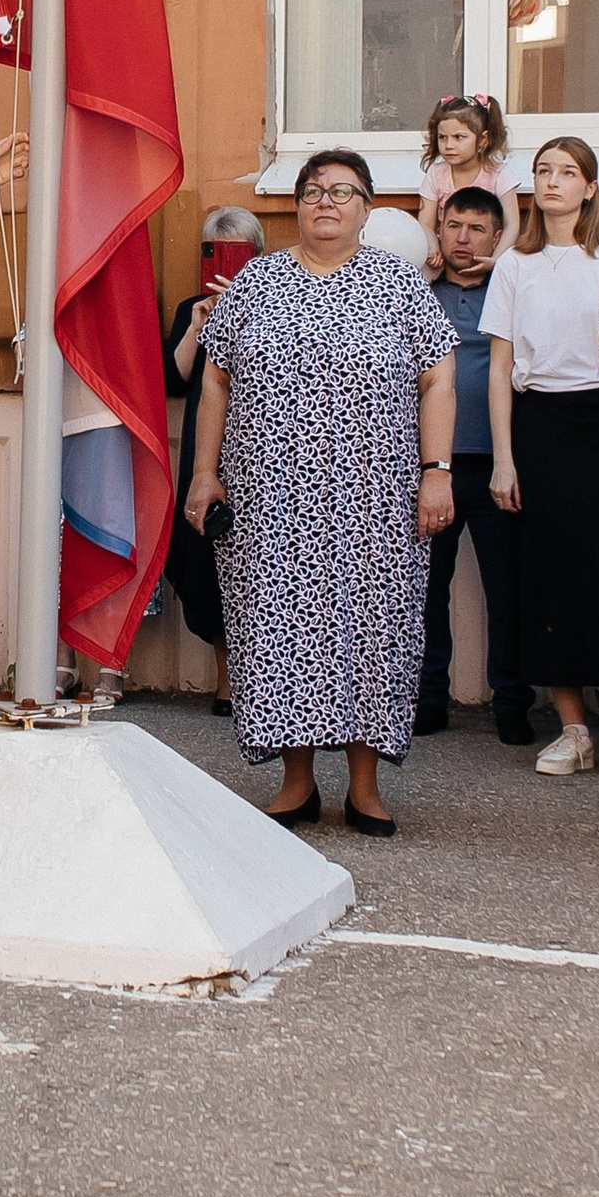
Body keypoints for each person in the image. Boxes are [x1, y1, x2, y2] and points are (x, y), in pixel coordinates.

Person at [183, 149, 459, 832]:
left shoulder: (398, 284)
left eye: (342, 191)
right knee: (279, 628)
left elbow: (439, 379)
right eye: (312, 191)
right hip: (273, 500)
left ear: (367, 207)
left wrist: (437, 470)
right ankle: (296, 780)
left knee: (374, 626)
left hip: (376, 496)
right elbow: (215, 375)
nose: (325, 201)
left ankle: (364, 786)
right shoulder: (258, 281)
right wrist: (203, 469)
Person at [483, 136, 599, 781]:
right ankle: (572, 729)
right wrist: (504, 457)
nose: (553, 182)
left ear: (590, 187)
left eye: (568, 173)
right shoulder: (515, 264)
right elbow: (500, 369)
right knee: (550, 571)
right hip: (542, 424)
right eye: (543, 172)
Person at [415, 187, 533, 745]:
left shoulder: (513, 289)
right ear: (439, 230)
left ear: (496, 236)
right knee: (425, 590)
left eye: (477, 229)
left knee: (508, 589)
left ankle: (513, 702)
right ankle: (428, 697)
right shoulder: (415, 290)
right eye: (453, 226)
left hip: (497, 463)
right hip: (430, 465)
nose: (463, 239)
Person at [163, 208, 264, 709]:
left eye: (238, 253)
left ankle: (264, 684)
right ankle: (228, 679)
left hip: (264, 451)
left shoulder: (275, 304)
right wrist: (198, 324)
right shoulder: (192, 308)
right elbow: (173, 380)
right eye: (214, 251)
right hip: (206, 450)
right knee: (206, 559)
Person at [416, 95, 514, 268]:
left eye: (459, 137)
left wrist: (495, 261)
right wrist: (433, 249)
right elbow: (426, 223)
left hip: (486, 257)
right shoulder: (436, 174)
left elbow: (512, 224)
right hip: (445, 258)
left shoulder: (498, 173)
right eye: (442, 137)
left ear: (482, 139)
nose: (449, 145)